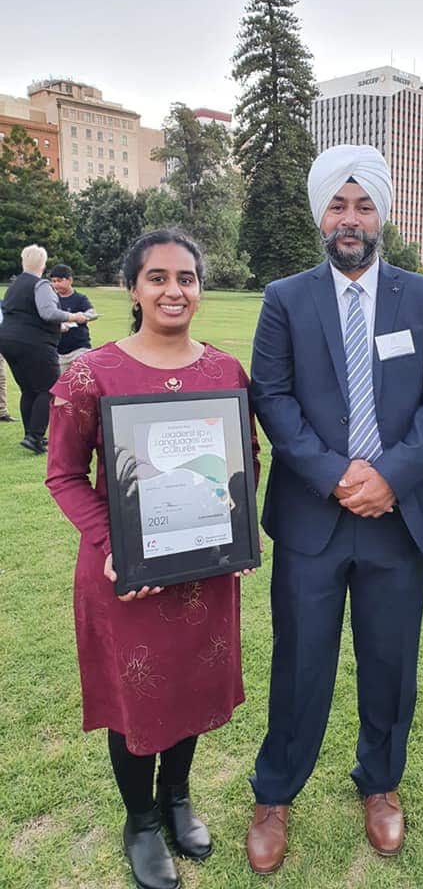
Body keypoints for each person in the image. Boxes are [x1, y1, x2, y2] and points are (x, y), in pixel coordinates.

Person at [245, 145, 423, 873]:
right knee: (300, 662)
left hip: (398, 521)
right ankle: (275, 795)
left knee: (389, 663)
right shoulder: (285, 299)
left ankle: (381, 785)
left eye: (363, 205)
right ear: (320, 214)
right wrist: (340, 476)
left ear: (383, 215)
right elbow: (271, 399)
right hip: (314, 516)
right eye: (337, 205)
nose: (349, 218)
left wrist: (392, 477)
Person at [46, 230, 260, 889]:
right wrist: (115, 546)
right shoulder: (92, 372)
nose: (175, 290)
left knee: (191, 689)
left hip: (202, 570)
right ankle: (140, 819)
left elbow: (242, 462)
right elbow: (63, 475)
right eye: (159, 277)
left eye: (187, 278)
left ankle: (177, 798)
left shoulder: (225, 372)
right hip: (126, 577)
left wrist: (235, 532)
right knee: (137, 699)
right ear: (132, 288)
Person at [0, 244, 89, 453]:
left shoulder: (13, 286)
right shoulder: (40, 285)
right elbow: (48, 312)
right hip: (34, 343)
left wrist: (60, 326)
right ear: (43, 264)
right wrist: (73, 316)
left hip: (9, 342)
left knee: (28, 390)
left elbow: (28, 315)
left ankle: (30, 435)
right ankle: (35, 436)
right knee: (49, 389)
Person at [49, 264, 95, 371]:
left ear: (70, 280)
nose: (56, 284)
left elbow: (91, 313)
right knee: (60, 385)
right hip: (59, 352)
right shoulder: (52, 300)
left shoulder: (80, 298)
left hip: (79, 349)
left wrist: (83, 317)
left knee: (82, 382)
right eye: (54, 281)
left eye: (59, 281)